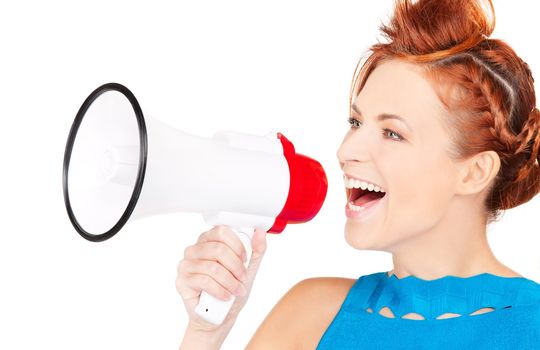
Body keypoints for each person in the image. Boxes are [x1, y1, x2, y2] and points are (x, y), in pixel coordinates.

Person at [175, 0, 540, 348]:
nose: (345, 151)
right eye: (356, 122)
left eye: (393, 133)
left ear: (475, 172)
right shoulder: (310, 315)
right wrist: (205, 333)